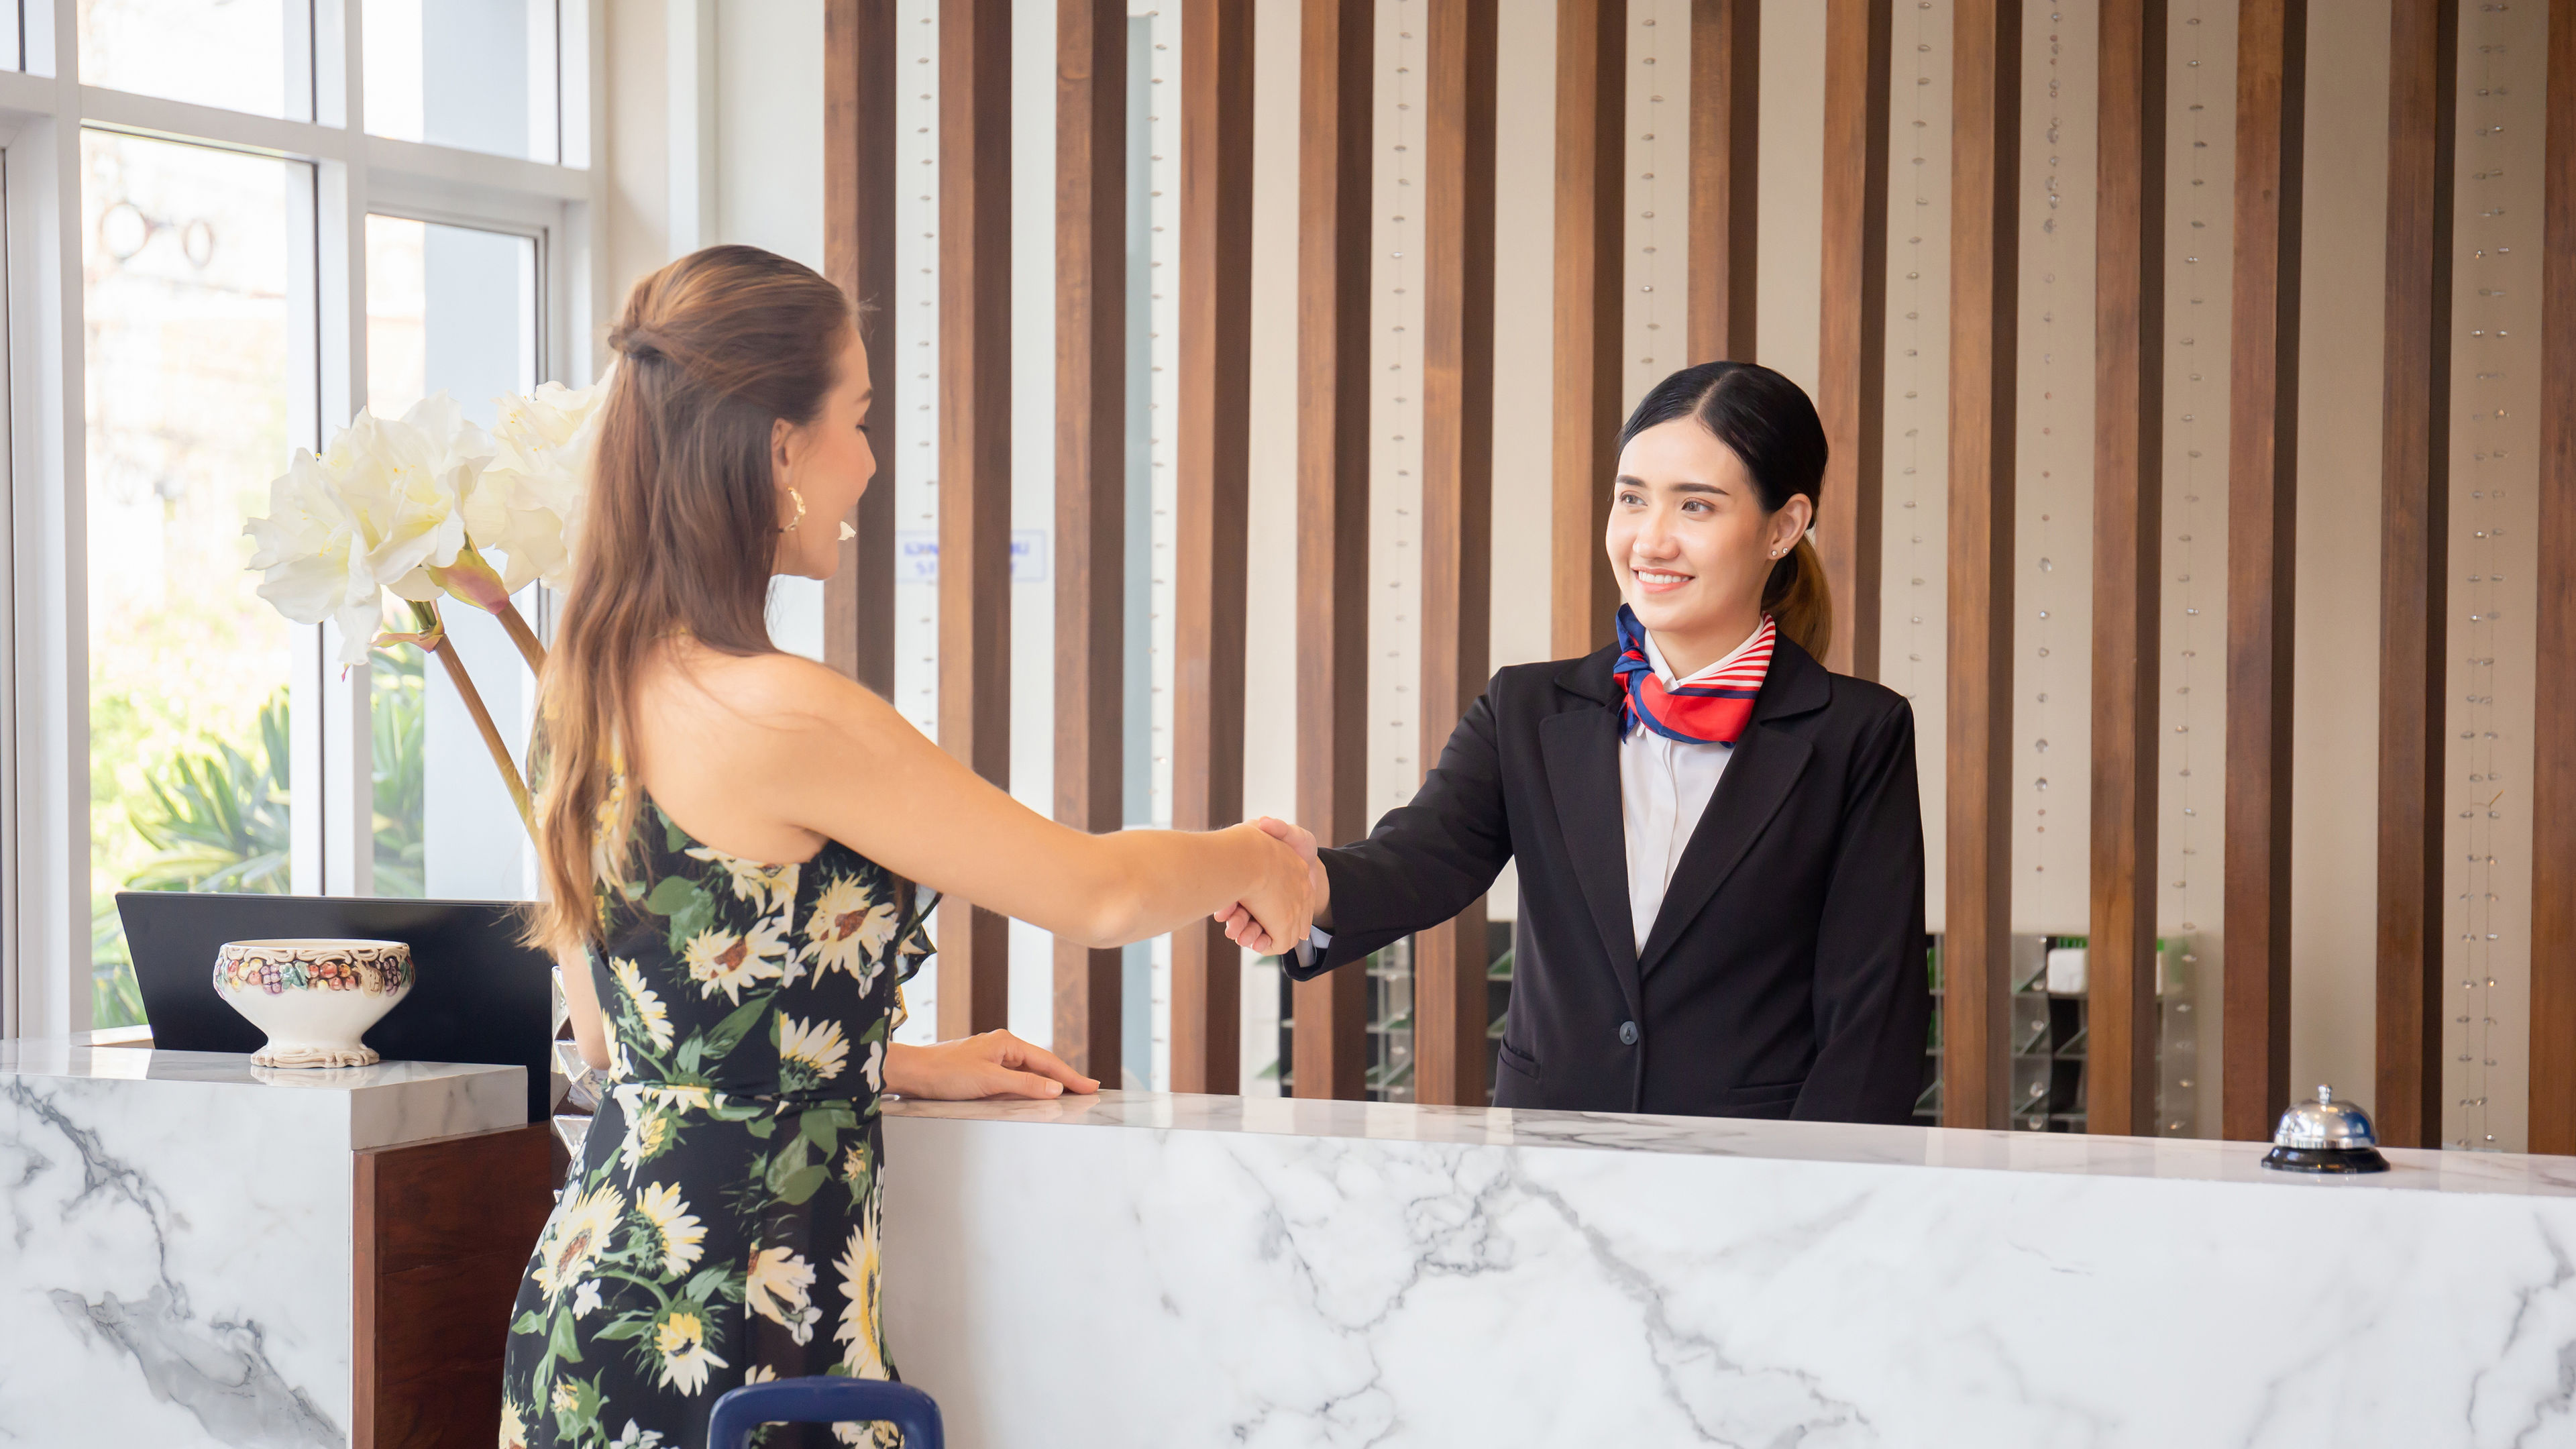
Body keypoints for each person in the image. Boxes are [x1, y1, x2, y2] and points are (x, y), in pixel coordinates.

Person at [500, 244, 1313, 1448]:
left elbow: (628, 1032)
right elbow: (1093, 892)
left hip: (589, 1318)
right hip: (741, 1346)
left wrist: (875, 1059)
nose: (869, 462)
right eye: (860, 418)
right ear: (781, 447)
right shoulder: (784, 716)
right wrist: (1256, 856)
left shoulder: (584, 691)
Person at [1228, 361, 1929, 1124]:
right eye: (1632, 499)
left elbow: (1872, 1020)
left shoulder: (1859, 734)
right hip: (1551, 1173)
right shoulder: (1527, 708)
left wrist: (1817, 1210)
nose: (1651, 540)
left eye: (1696, 506)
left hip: (1751, 1185)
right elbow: (1419, 862)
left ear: (1784, 527)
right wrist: (1309, 884)